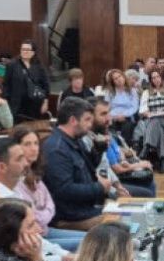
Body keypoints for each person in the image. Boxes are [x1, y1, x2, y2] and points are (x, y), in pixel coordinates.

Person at [0, 138, 76, 261]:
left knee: (88, 248)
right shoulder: (0, 203)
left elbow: (36, 239)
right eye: (19, 159)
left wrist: (64, 254)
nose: (26, 162)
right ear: (2, 167)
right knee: (88, 256)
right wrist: (63, 258)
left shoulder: (15, 189)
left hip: (40, 253)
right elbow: (24, 257)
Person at [43, 97, 114, 231]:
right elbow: (63, 190)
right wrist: (99, 188)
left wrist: (98, 150)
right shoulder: (56, 149)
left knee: (124, 214)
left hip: (84, 209)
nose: (90, 124)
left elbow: (89, 168)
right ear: (73, 120)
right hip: (70, 217)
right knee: (119, 224)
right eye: (87, 119)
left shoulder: (75, 139)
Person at [13, 126, 88, 246]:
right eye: (27, 144)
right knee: (89, 243)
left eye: (36, 143)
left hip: (45, 229)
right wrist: (40, 219)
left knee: (90, 238)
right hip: (35, 238)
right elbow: (30, 214)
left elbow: (50, 204)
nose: (34, 149)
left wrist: (42, 218)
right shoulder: (15, 178)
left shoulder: (34, 171)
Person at [3, 40, 49, 122]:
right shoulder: (12, 65)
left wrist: (45, 102)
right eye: (23, 49)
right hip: (17, 105)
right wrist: (6, 103)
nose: (25, 52)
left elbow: (45, 85)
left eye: (27, 50)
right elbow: (6, 85)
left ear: (33, 52)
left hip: (35, 104)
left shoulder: (39, 66)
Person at [134, 69, 164, 166]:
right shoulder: (146, 92)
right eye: (153, 78)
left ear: (162, 78)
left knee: (156, 121)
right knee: (159, 128)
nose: (156, 79)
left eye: (158, 77)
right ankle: (162, 158)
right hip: (151, 119)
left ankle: (146, 146)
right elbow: (142, 110)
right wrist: (149, 114)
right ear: (151, 80)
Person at [104, 69, 139, 141]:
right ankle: (114, 148)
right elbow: (107, 107)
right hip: (113, 117)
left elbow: (134, 107)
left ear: (123, 76)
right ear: (113, 82)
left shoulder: (132, 91)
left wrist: (123, 115)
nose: (119, 79)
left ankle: (125, 149)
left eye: (120, 76)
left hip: (127, 117)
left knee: (127, 127)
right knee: (109, 127)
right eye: (115, 79)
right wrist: (114, 116)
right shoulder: (109, 92)